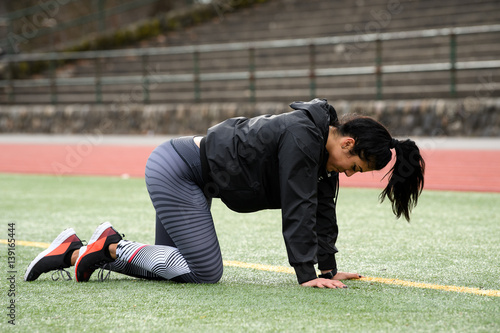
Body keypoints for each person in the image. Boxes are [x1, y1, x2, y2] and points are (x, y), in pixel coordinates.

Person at [25, 99, 425, 288]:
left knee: (174, 269)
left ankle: (80, 251)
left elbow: (321, 211)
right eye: (354, 166)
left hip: (192, 180)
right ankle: (111, 244)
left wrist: (327, 268)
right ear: (348, 142)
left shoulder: (322, 154)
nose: (350, 174)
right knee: (205, 272)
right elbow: (298, 209)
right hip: (178, 170)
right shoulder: (305, 138)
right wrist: (306, 277)